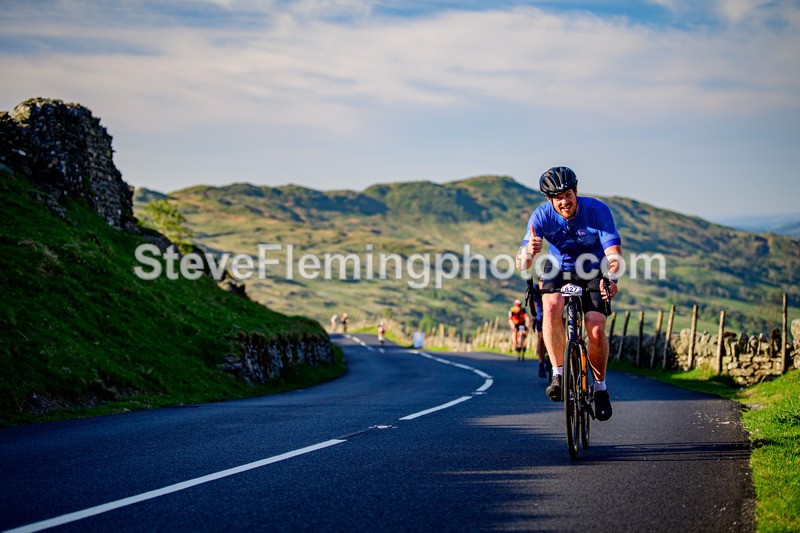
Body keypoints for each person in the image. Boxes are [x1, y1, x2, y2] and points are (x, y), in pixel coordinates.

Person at [516, 166, 621, 421]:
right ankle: (558, 373)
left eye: (568, 194)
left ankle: (600, 389)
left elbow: (614, 255)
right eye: (557, 197)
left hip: (594, 268)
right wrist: (529, 251)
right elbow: (522, 264)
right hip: (559, 267)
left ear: (576, 191)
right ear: (549, 200)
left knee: (595, 328)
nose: (564, 201)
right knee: (550, 305)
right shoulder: (540, 216)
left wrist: (612, 278)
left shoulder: (597, 211)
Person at [530, 277, 549, 379]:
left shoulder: (552, 286)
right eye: (541, 281)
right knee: (541, 338)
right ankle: (541, 363)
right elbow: (533, 304)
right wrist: (533, 317)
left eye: (544, 280)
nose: (543, 283)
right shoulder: (536, 289)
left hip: (553, 316)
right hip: (540, 317)